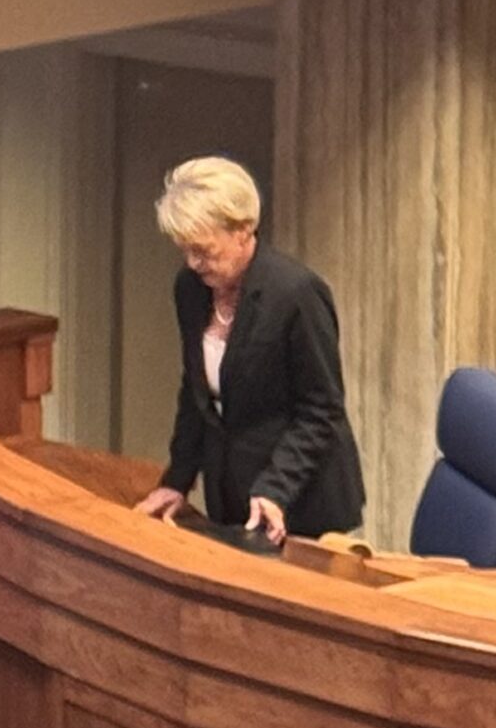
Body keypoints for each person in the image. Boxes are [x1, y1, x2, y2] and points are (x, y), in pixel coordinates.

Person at [133, 156, 365, 545]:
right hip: (231, 494)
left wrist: (276, 487)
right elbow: (196, 394)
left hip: (302, 501)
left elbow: (321, 409)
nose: (193, 263)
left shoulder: (295, 294)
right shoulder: (190, 288)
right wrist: (178, 480)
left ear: (243, 231)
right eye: (185, 250)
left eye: (203, 250)